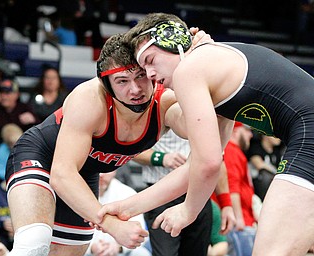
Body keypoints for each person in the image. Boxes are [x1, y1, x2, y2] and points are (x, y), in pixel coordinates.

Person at [97, 12, 314, 256]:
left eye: (149, 60)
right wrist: (127, 207)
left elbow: (208, 164)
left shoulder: (190, 69)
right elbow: (198, 165)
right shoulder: (213, 69)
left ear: (173, 41)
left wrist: (188, 211)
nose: (149, 75)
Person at [5, 30, 212, 256]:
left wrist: (201, 63)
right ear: (107, 85)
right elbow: (62, 174)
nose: (135, 90)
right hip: (41, 156)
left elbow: (205, 123)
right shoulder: (90, 98)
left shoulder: (165, 103)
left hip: (86, 172)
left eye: (140, 76)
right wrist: (111, 225)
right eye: (122, 81)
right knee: (34, 243)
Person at [133, 129, 235, 256]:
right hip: (162, 194)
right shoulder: (157, 110)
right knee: (166, 254)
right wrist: (161, 158)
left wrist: (226, 204)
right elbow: (130, 150)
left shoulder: (210, 113)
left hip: (199, 195)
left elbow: (217, 161)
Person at [85, 171, 151, 256]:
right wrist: (91, 248)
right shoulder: (77, 192)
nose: (101, 175)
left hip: (119, 251)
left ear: (115, 170)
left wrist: (118, 247)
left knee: (141, 253)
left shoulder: (127, 192)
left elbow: (140, 233)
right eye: (98, 171)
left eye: (105, 170)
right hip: (87, 250)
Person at [224, 122, 257, 256]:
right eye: (247, 130)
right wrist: (239, 218)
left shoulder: (235, 151)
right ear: (236, 131)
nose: (250, 135)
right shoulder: (231, 151)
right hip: (239, 223)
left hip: (243, 220)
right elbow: (232, 187)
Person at [0, 78, 39, 151]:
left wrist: (33, 120)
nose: (4, 96)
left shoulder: (24, 108)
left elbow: (37, 128)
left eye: (8, 93)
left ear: (17, 94)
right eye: (2, 92)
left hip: (20, 148)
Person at [247, 133, 284, 201]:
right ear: (265, 135)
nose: (279, 138)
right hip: (255, 187)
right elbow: (259, 165)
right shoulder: (256, 146)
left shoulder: (277, 151)